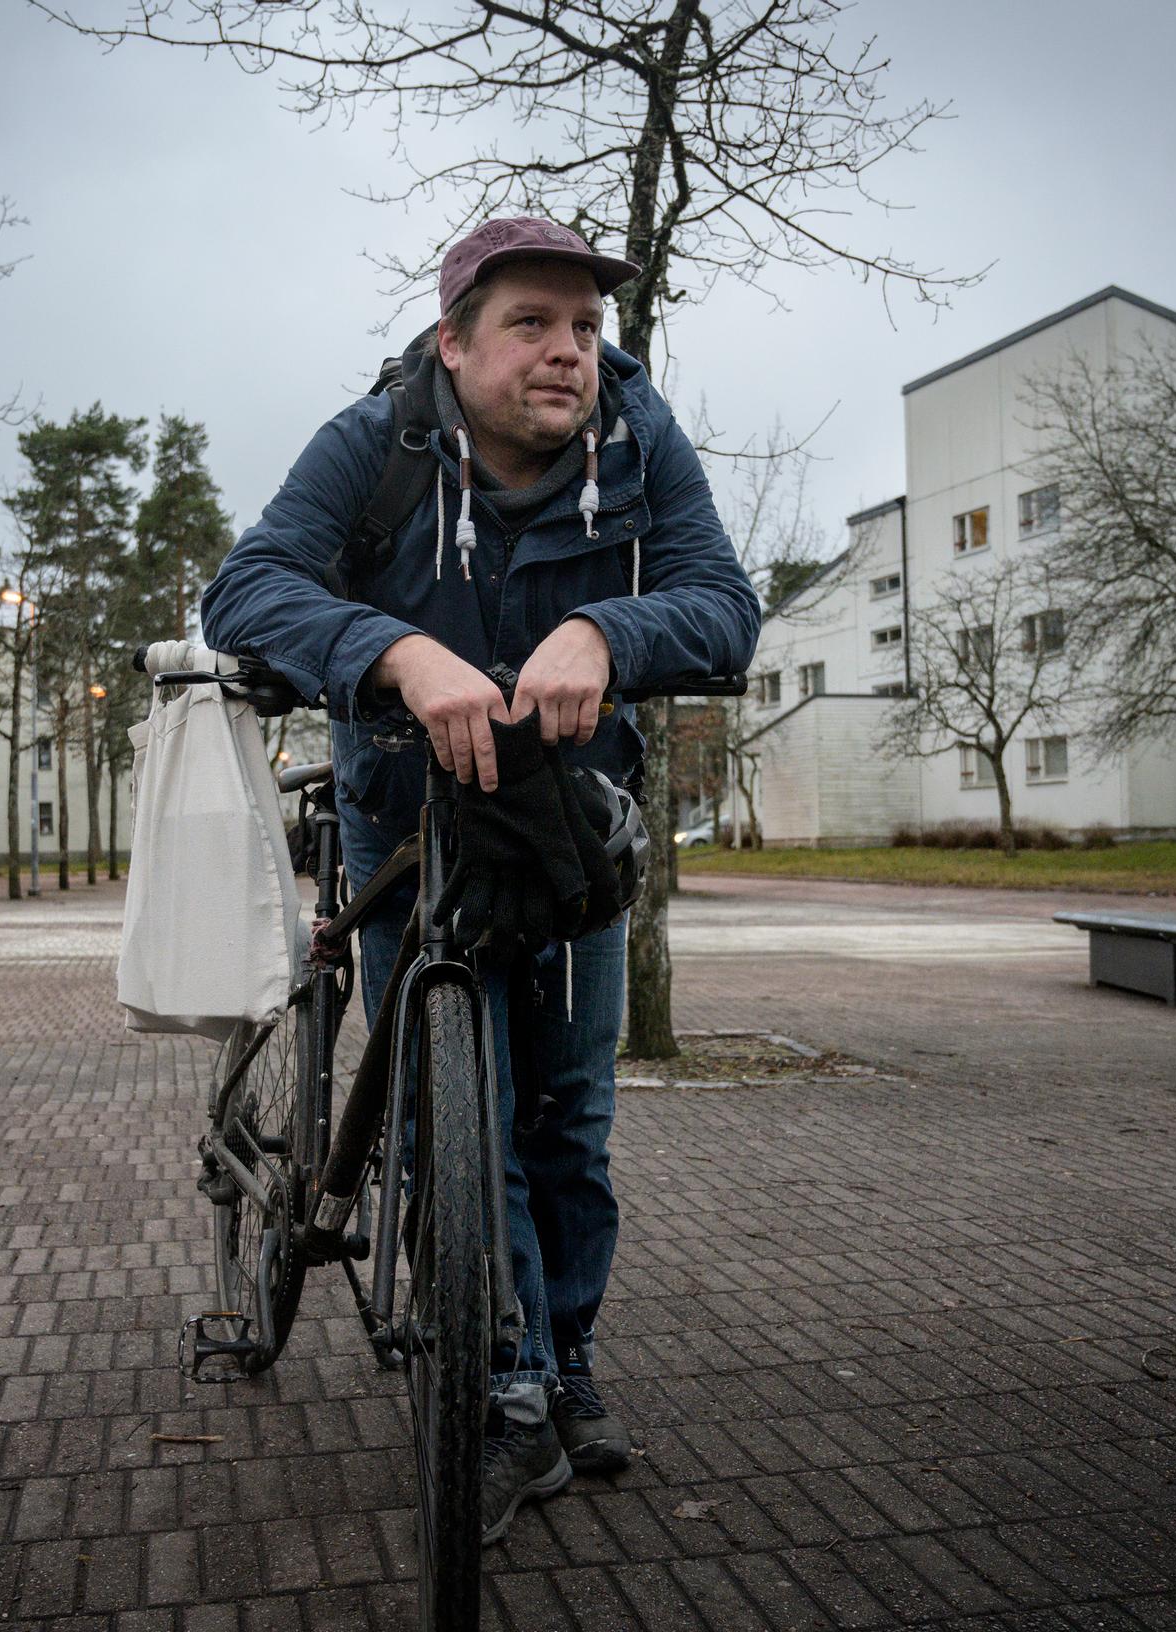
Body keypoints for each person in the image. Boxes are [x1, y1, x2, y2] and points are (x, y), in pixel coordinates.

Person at [200, 218, 759, 1543]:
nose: (569, 352)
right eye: (531, 324)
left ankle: (563, 1360)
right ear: (454, 342)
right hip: (408, 811)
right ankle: (501, 1386)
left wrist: (601, 628)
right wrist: (394, 651)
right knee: (469, 1118)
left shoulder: (637, 437)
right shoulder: (373, 442)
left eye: (584, 327)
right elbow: (248, 586)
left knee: (570, 1121)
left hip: (570, 824)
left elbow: (724, 604)